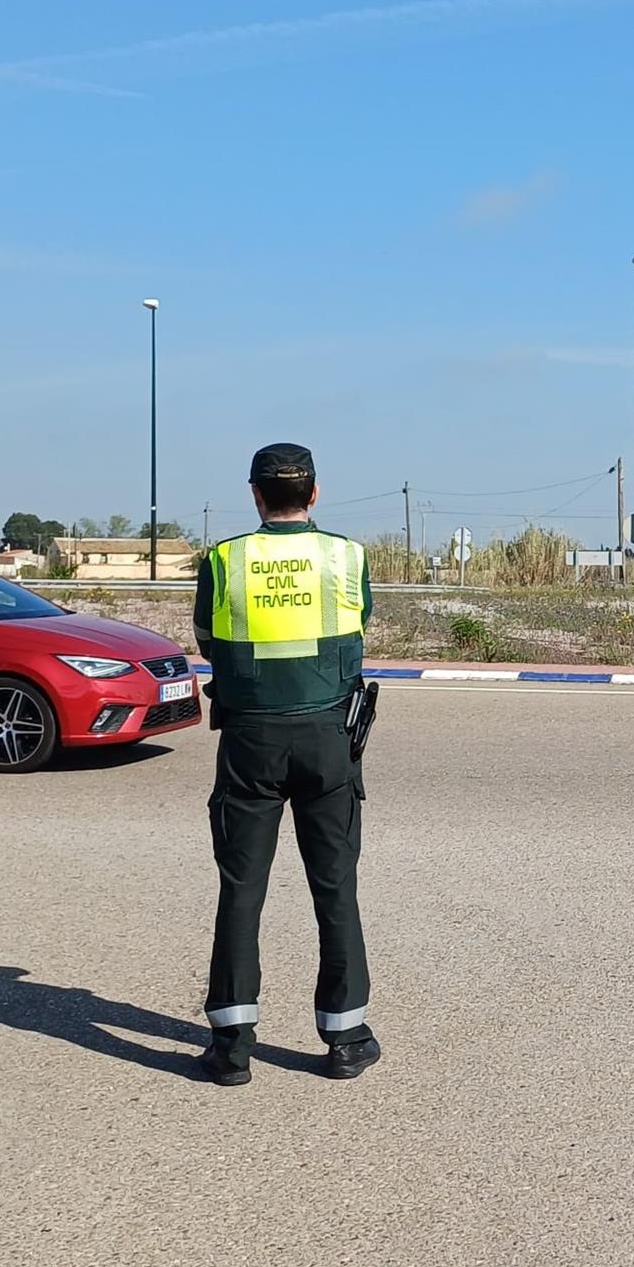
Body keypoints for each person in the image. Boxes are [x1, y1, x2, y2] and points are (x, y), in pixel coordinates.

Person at [192, 443, 379, 1085]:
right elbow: (359, 624)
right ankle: (345, 1038)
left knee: (242, 889)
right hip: (328, 738)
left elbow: (208, 640)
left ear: (255, 494)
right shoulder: (345, 556)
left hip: (250, 741)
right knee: (335, 887)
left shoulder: (225, 559)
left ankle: (231, 1046)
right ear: (314, 493)